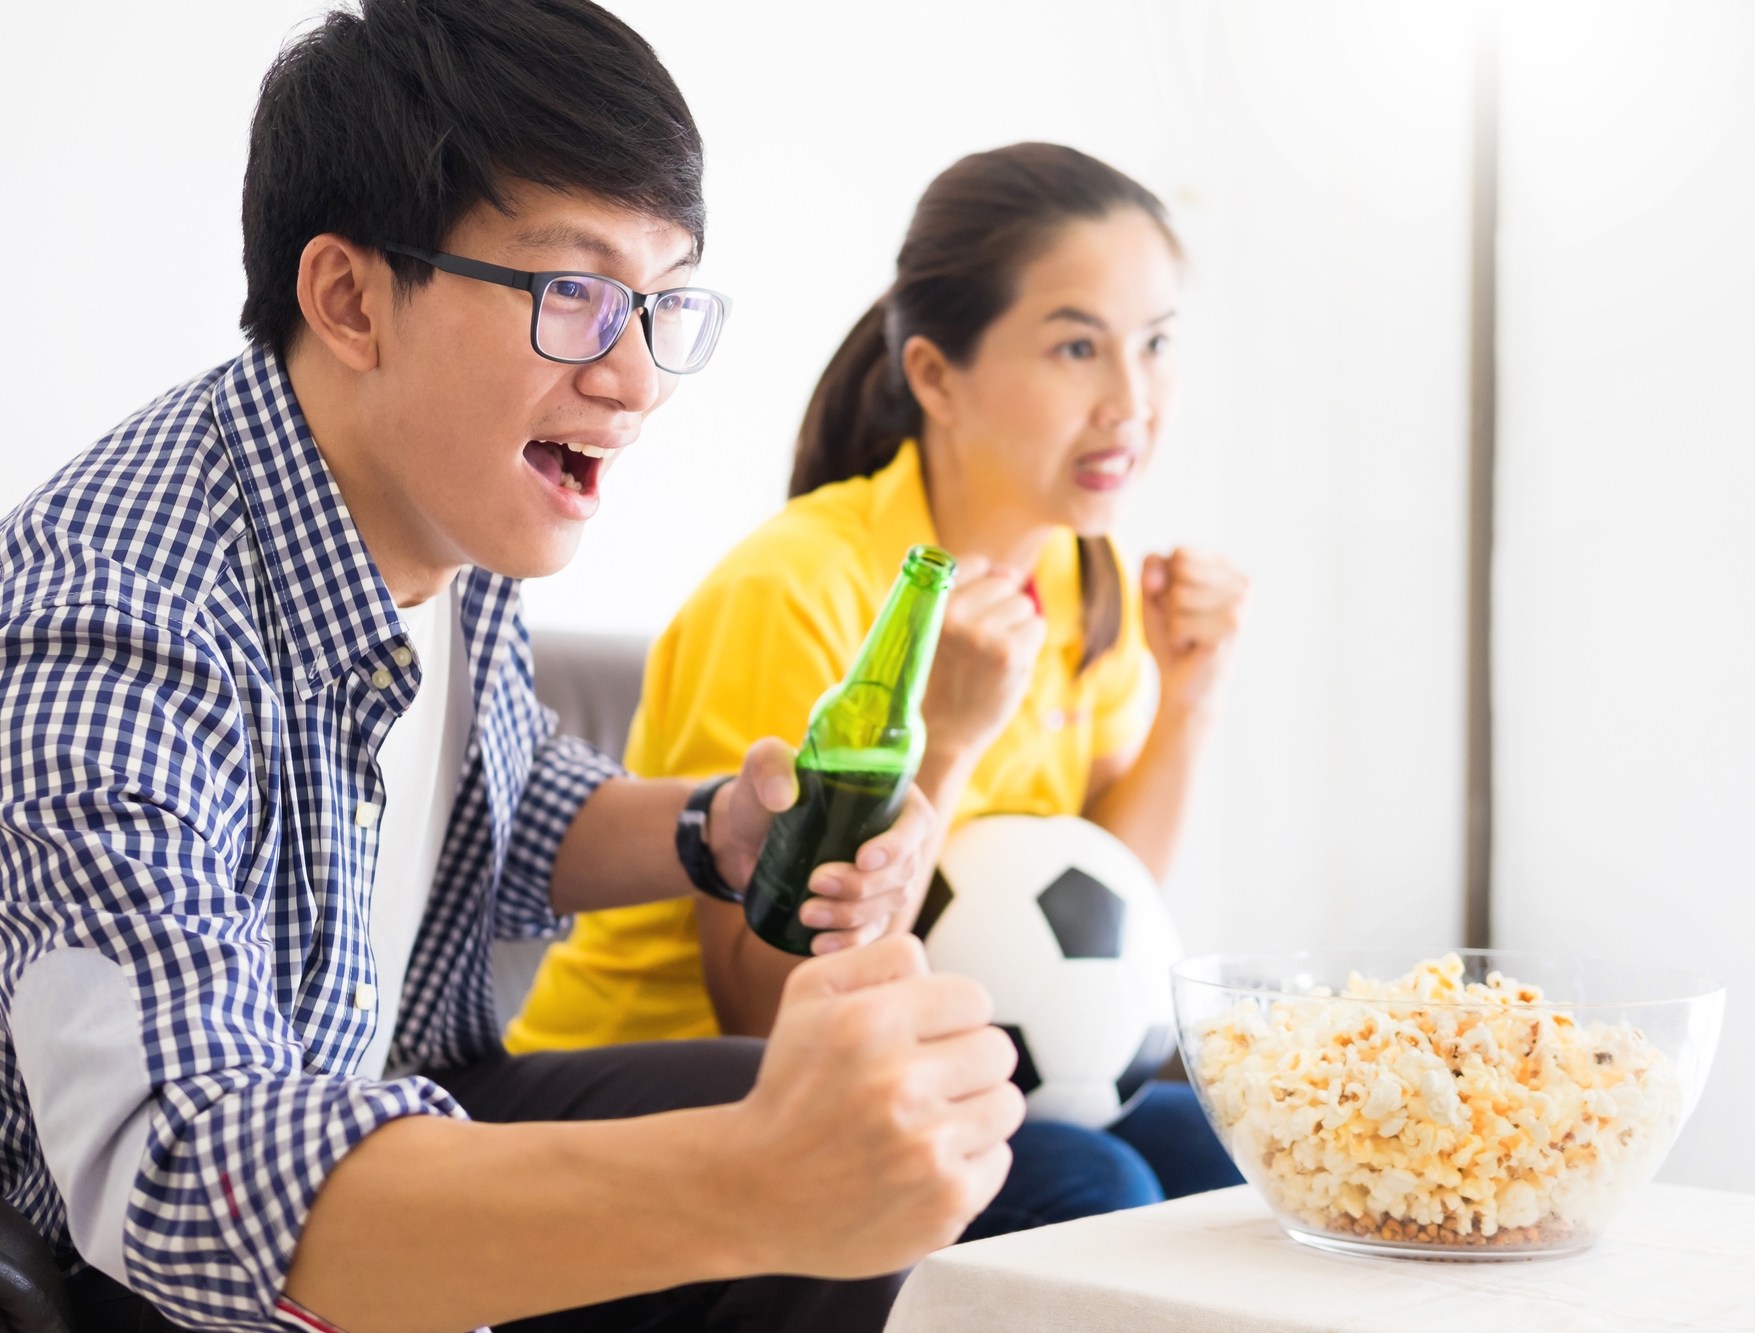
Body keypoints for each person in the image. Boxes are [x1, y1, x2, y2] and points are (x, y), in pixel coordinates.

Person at [0, 4, 1026, 1332]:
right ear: (349, 298)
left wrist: (713, 828)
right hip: (122, 1262)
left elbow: (507, 806)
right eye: (576, 295)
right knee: (776, 1171)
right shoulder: (94, 626)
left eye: (663, 303)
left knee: (852, 1166)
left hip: (388, 1089)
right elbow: (183, 1170)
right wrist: (749, 1183)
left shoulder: (445, 509)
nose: (636, 377)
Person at [508, 143, 1252, 1230]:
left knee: (1230, 1153)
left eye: (1154, 345)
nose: (1128, 402)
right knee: (1101, 1193)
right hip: (680, 1085)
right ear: (936, 376)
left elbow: (1099, 912)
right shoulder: (796, 588)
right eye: (1076, 347)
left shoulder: (1077, 570)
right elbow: (762, 1007)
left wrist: (1188, 694)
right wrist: (941, 744)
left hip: (937, 1057)